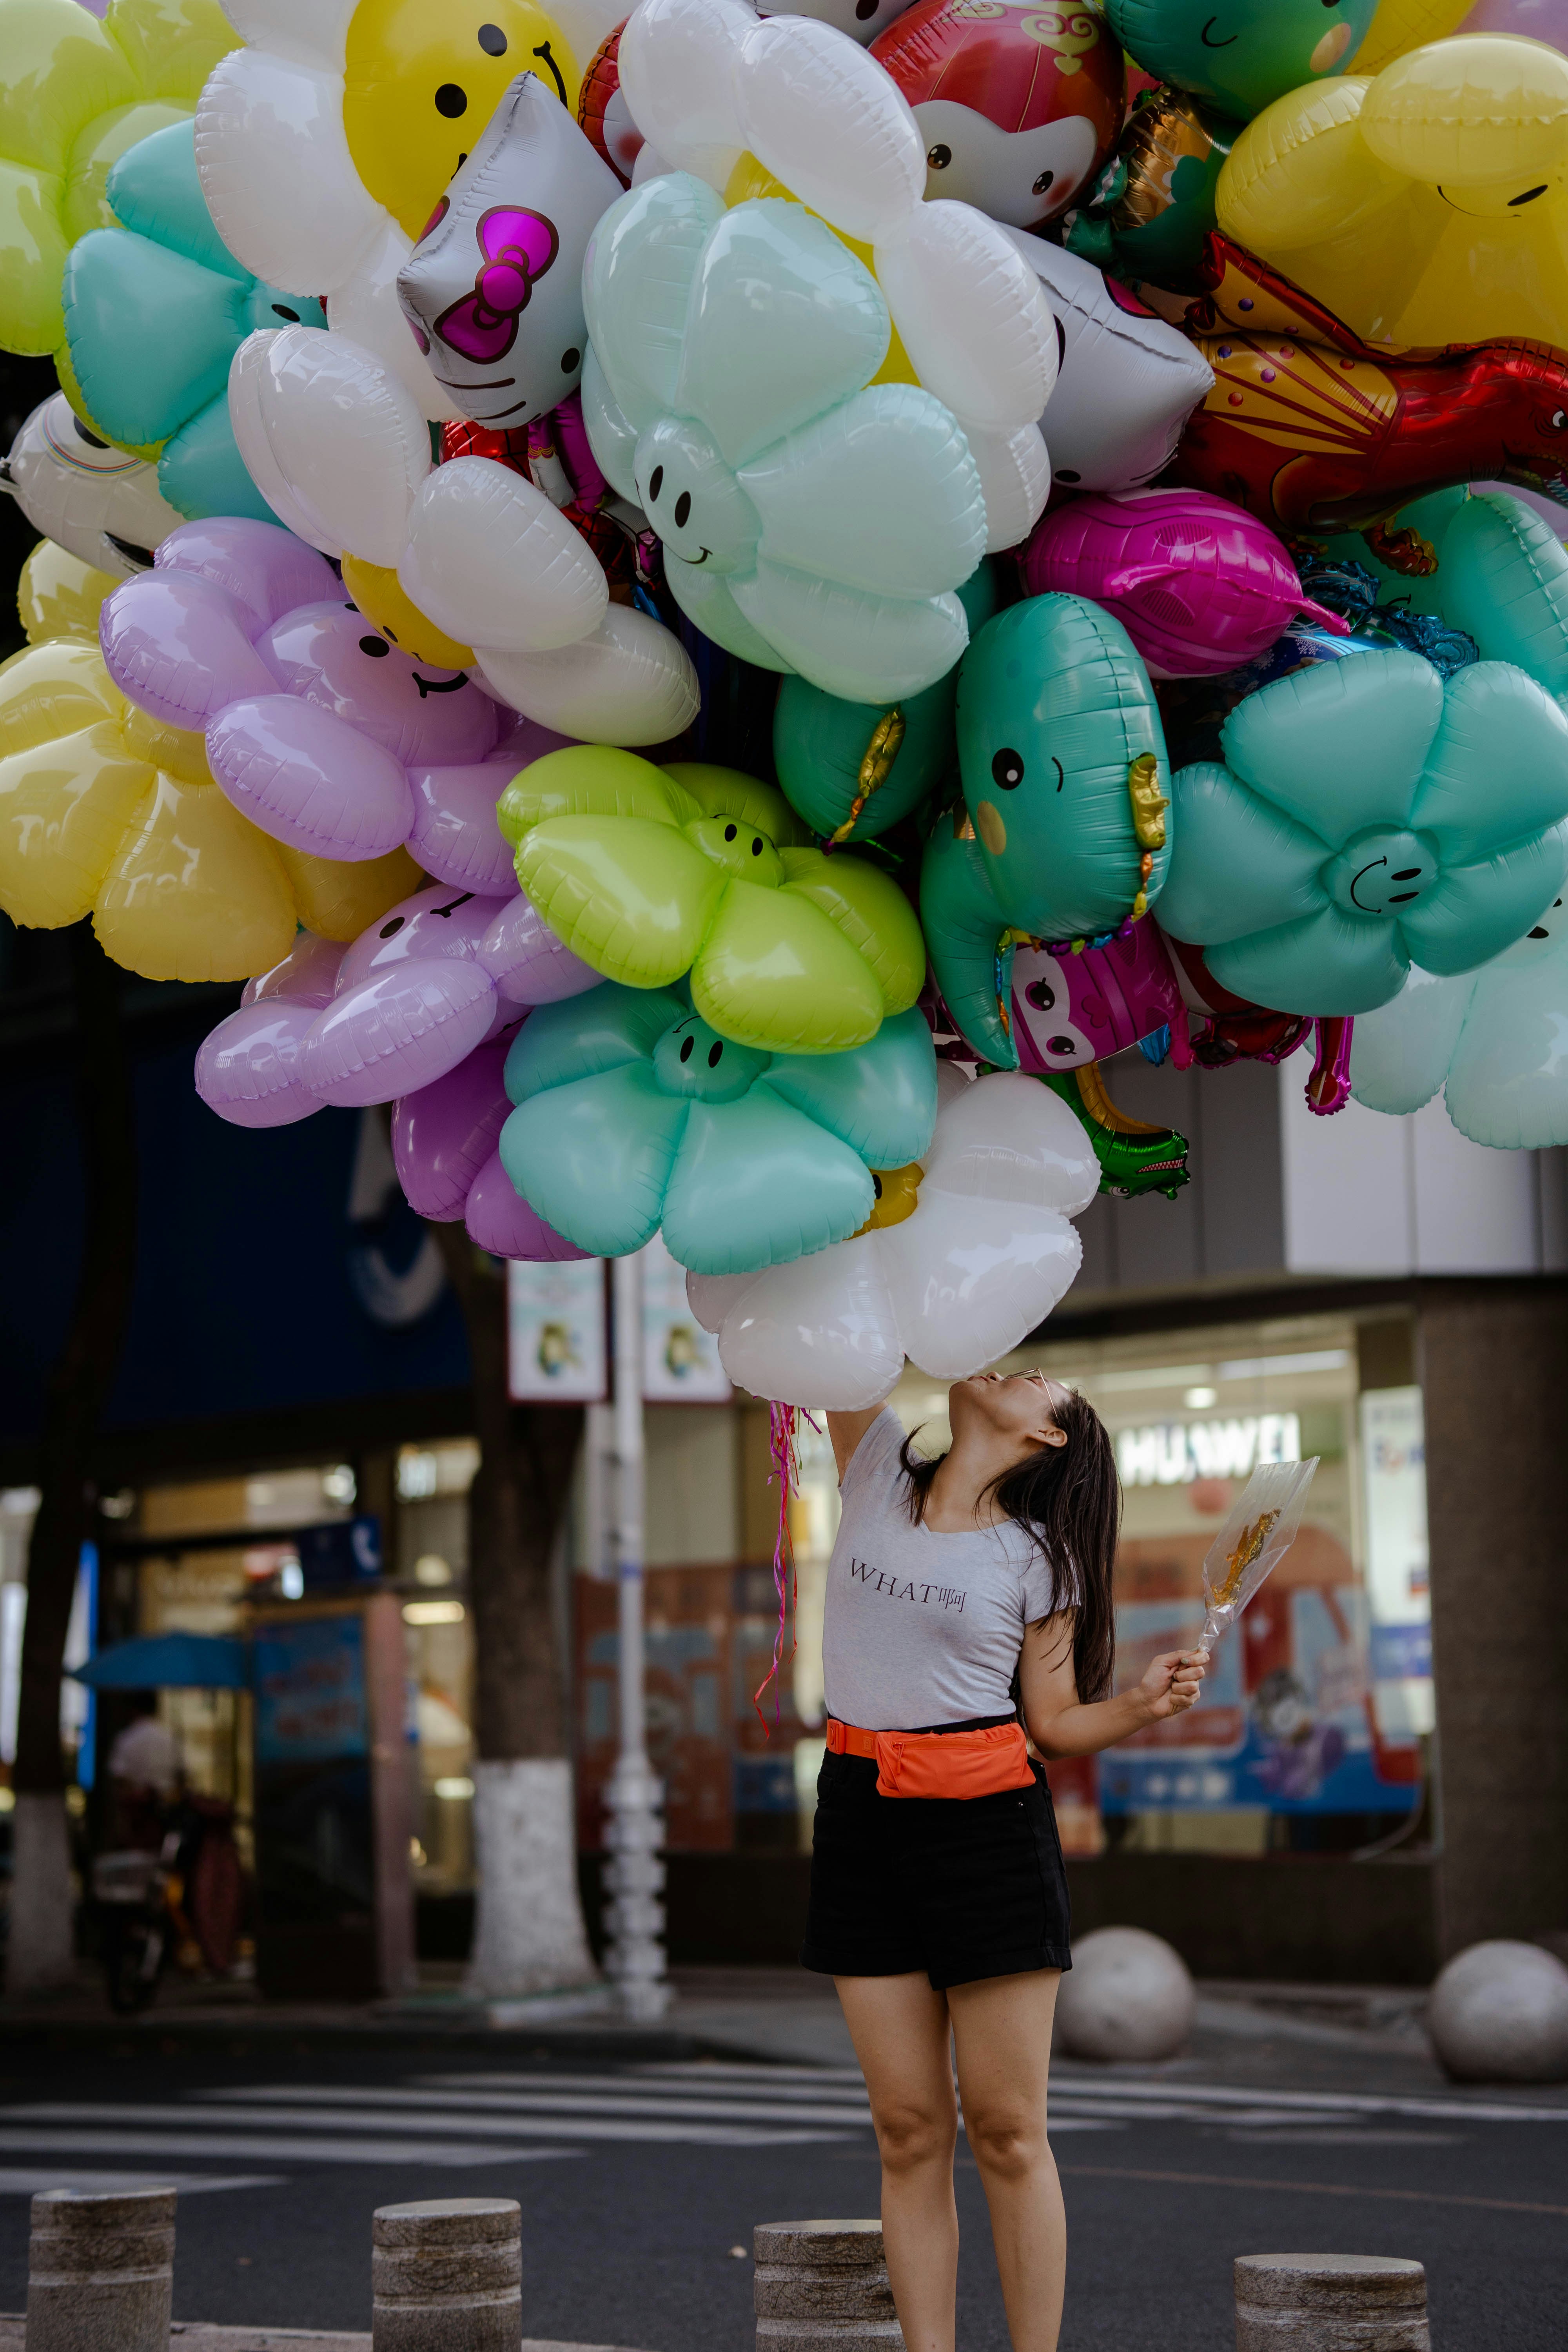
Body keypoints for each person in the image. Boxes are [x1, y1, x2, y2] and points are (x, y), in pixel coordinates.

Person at [802, 1371, 1205, 2352]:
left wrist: (1144, 1703)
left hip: (985, 1826)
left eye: (1039, 1380)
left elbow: (1054, 1721)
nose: (1016, 1368)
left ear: (1049, 1436)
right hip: (859, 1815)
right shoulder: (874, 1470)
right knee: (907, 2129)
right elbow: (844, 1351)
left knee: (1007, 2130)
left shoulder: (1039, 1555)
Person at [107, 1692, 180, 1852]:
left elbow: (120, 1778)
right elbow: (181, 1774)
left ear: (133, 1710)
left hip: (137, 1815)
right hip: (167, 1811)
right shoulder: (168, 1737)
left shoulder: (127, 1738)